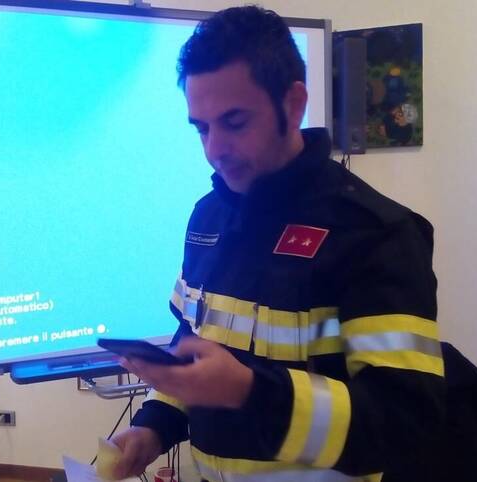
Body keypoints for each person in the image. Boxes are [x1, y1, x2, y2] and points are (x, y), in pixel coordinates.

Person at [110, 6, 445, 482]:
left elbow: (405, 427)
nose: (214, 148)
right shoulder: (207, 217)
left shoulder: (375, 234)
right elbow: (190, 353)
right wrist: (152, 428)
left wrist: (249, 390)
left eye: (234, 122)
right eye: (202, 127)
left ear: (293, 104)